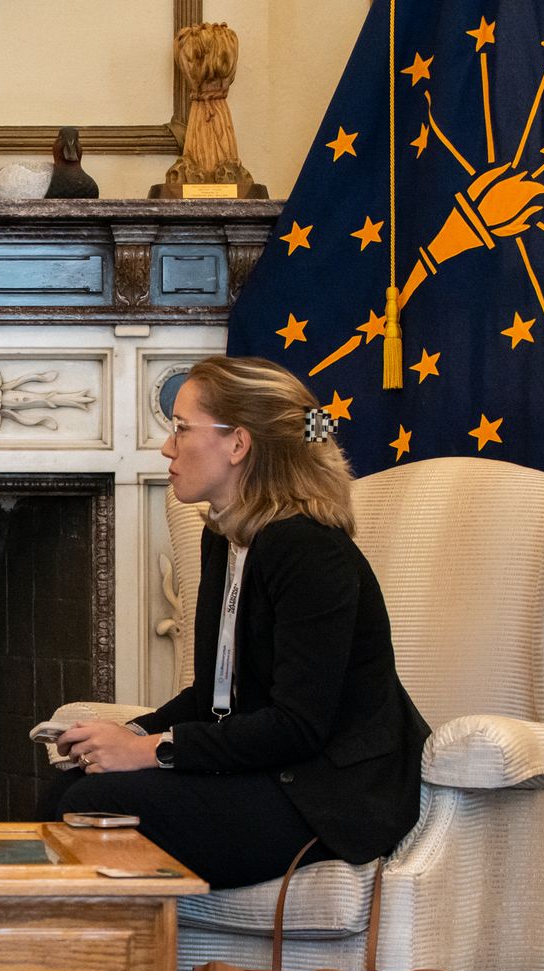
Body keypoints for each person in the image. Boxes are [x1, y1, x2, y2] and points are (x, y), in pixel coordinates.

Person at [45, 355, 428, 889]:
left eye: (181, 428)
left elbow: (298, 726)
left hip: (326, 795)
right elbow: (213, 697)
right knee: (66, 788)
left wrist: (148, 751)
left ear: (238, 444)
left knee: (93, 802)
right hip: (266, 771)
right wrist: (124, 735)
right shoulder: (225, 537)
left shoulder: (309, 549)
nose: (167, 448)